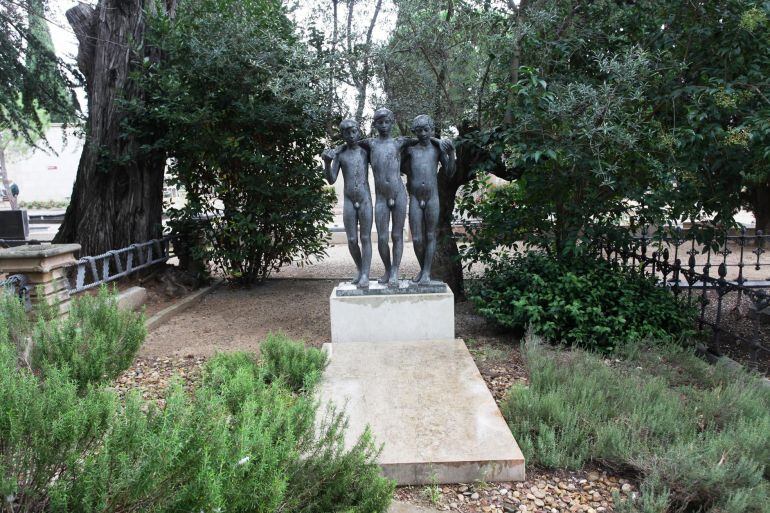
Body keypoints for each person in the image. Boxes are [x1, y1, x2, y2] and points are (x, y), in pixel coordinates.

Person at [402, 115, 455, 285]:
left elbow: (450, 172)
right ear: (414, 132)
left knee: (431, 235)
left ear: (431, 129)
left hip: (432, 197)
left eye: (427, 129)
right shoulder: (410, 150)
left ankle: (426, 272)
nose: (423, 133)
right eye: (419, 130)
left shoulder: (437, 150)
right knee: (417, 239)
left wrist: (451, 152)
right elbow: (396, 162)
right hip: (416, 198)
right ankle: (423, 269)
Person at [322, 119, 373, 288]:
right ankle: (360, 269)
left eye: (354, 131)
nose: (351, 135)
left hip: (365, 199)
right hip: (349, 200)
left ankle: (366, 274)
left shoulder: (366, 151)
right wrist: (327, 163)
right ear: (342, 135)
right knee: (352, 239)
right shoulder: (340, 154)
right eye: (347, 133)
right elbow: (331, 179)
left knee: (365, 238)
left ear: (359, 131)